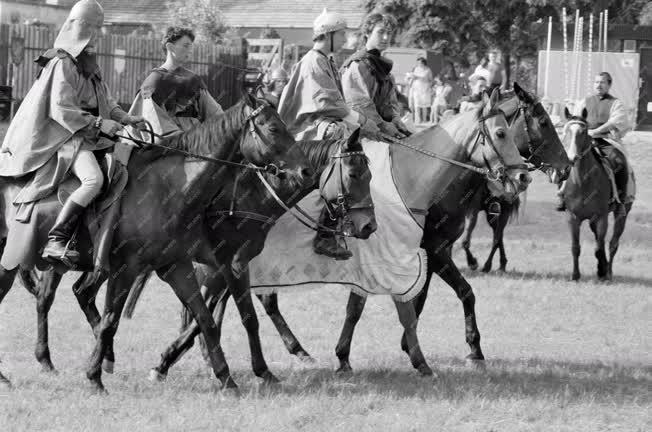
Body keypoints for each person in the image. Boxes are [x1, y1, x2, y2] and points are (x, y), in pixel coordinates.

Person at [0, 0, 144, 267]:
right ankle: (57, 239)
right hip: (65, 138)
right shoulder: (62, 62)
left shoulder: (88, 60)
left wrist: (125, 117)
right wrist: (101, 124)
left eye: (100, 28)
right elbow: (61, 109)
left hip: (88, 134)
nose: (99, 34)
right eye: (95, 27)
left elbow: (105, 98)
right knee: (93, 180)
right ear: (81, 26)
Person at [278, 8, 380, 259]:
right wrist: (362, 120)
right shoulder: (314, 61)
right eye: (342, 33)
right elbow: (326, 103)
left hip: (322, 124)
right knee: (341, 162)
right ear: (329, 34)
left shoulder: (326, 60)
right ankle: (325, 236)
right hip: (307, 130)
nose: (345, 38)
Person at [121, 26, 223, 150]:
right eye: (186, 45)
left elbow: (216, 115)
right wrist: (184, 141)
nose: (190, 50)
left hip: (198, 146)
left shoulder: (194, 80)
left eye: (191, 46)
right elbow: (155, 125)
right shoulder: (154, 81)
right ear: (170, 47)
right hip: (168, 152)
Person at [557, 72, 634, 214]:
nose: (599, 85)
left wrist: (596, 131)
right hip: (584, 139)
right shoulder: (585, 101)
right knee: (565, 160)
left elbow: (615, 121)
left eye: (602, 82)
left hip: (605, 140)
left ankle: (621, 200)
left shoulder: (616, 103)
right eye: (596, 82)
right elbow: (576, 119)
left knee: (619, 162)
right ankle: (563, 196)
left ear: (609, 85)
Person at [341, 11, 410, 139]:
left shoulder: (382, 66)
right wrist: (383, 125)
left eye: (389, 33)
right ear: (367, 33)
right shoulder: (358, 64)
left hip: (380, 130)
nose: (385, 37)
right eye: (380, 32)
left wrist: (395, 118)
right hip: (357, 135)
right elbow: (359, 105)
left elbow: (390, 102)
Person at [409, 57, 434, 124]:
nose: (418, 64)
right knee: (417, 104)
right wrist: (412, 78)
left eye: (420, 62)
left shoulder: (428, 70)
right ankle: (418, 119)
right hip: (416, 88)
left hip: (425, 89)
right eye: (418, 62)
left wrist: (429, 87)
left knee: (424, 105)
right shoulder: (416, 69)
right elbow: (412, 78)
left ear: (423, 63)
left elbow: (431, 80)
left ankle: (424, 119)